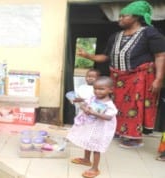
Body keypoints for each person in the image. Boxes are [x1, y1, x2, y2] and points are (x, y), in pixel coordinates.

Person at [77, 0, 165, 148]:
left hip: (139, 77)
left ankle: (135, 139)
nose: (120, 19)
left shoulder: (149, 33)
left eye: (124, 16)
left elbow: (160, 56)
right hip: (118, 79)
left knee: (134, 107)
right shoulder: (116, 36)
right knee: (117, 105)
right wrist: (88, 56)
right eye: (120, 16)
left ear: (136, 17)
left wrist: (159, 79)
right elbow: (106, 57)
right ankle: (120, 132)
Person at [67, 76, 117, 178]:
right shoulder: (93, 97)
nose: (97, 91)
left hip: (101, 129)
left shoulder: (109, 104)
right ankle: (86, 160)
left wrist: (94, 113)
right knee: (88, 141)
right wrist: (84, 108)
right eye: (95, 89)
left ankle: (95, 168)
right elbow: (85, 104)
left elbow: (108, 117)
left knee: (96, 147)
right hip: (91, 126)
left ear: (110, 90)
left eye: (101, 89)